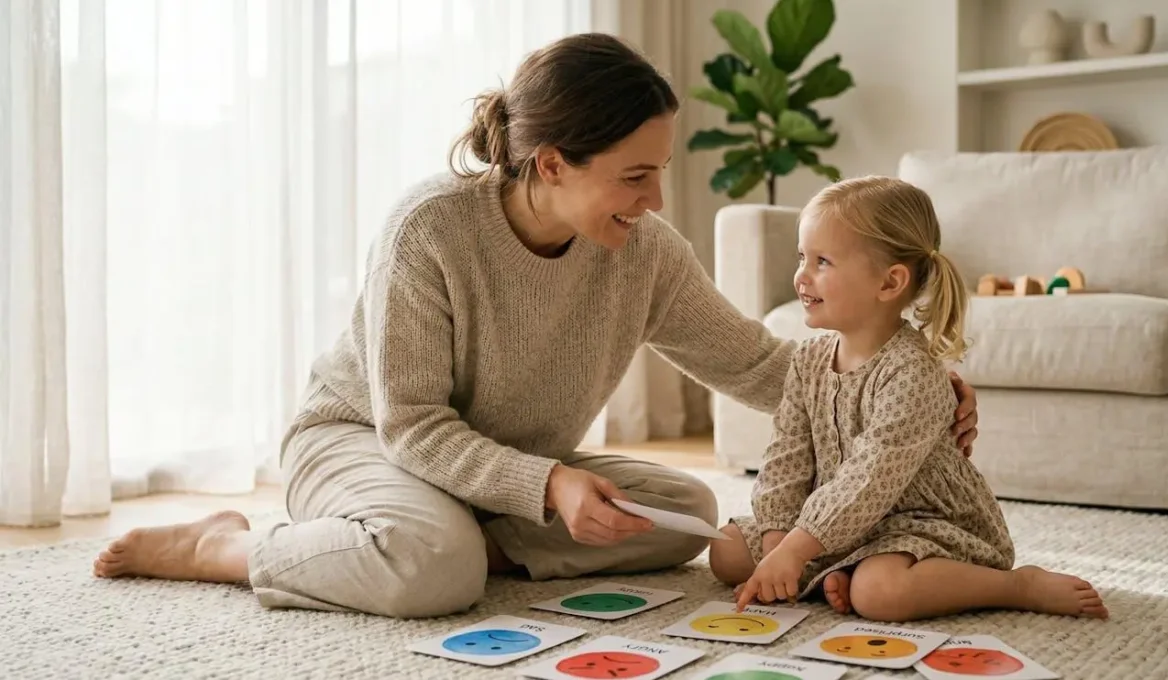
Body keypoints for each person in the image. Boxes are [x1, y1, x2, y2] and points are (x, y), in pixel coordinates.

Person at [90, 33, 980, 619]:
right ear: (552, 163)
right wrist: (551, 486)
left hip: (507, 469)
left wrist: (904, 388)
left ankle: (467, 534)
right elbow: (412, 425)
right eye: (635, 175)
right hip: (365, 441)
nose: (656, 198)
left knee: (688, 513)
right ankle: (231, 547)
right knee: (432, 573)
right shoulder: (429, 231)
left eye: (660, 170)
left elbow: (756, 364)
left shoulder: (645, 250)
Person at [709, 176, 1108, 622]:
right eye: (803, 257)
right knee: (725, 550)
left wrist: (795, 552)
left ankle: (1015, 585)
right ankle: (840, 569)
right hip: (834, 520)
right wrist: (775, 550)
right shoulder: (808, 360)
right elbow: (786, 458)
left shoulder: (912, 373)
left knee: (881, 595)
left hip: (919, 522)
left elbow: (868, 479)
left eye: (822, 261)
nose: (802, 275)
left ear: (889, 282)